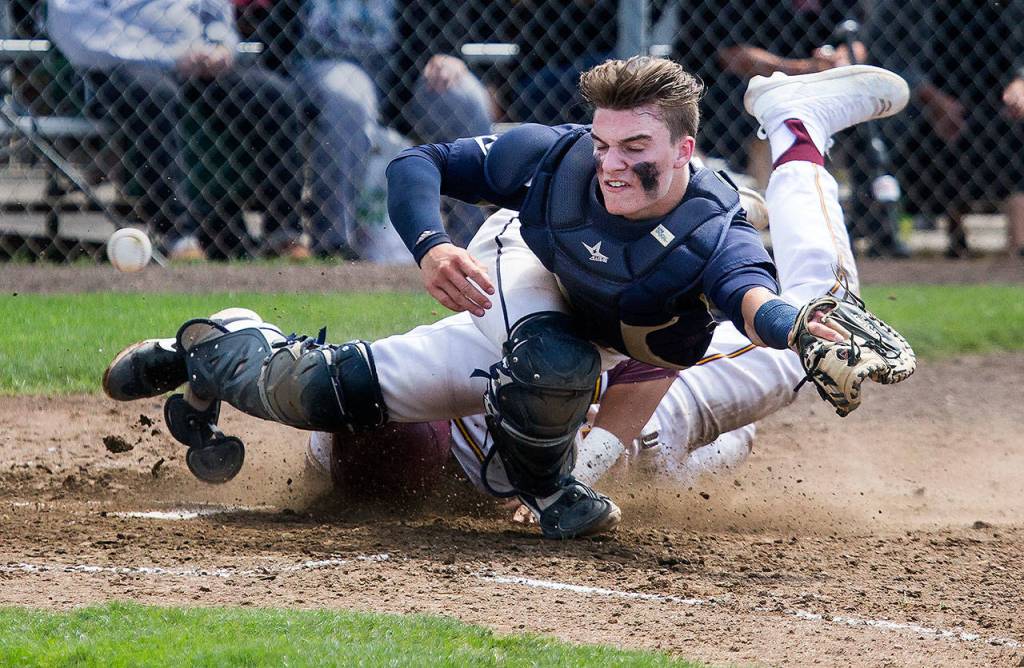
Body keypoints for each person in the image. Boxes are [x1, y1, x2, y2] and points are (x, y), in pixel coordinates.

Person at [100, 59, 911, 540]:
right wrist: (431, 245)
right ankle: (217, 345)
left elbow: (700, 325)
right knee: (328, 393)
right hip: (554, 320)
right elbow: (418, 168)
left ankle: (796, 124)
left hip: (617, 361)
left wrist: (792, 326)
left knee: (788, 341)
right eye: (606, 146)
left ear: (682, 150)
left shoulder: (708, 239)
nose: (612, 163)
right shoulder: (559, 167)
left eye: (637, 148)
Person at [47, 0, 310, 261]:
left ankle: (284, 233)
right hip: (121, 63)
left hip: (197, 59)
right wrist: (168, 56)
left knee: (273, 96)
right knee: (154, 97)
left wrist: (220, 46)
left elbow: (214, 13)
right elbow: (80, 30)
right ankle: (178, 236)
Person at [249, 0, 494, 256]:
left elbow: (445, 13)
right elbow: (276, 27)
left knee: (465, 96)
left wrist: (446, 51)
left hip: (404, 71)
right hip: (323, 63)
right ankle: (335, 245)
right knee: (348, 95)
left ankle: (474, 244)